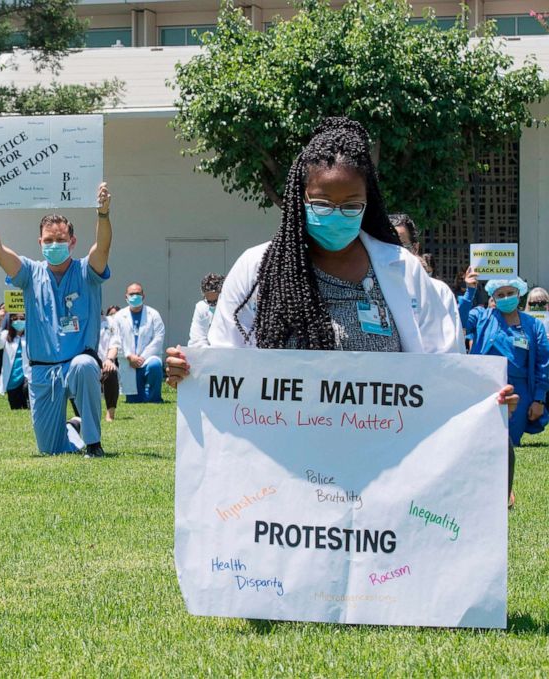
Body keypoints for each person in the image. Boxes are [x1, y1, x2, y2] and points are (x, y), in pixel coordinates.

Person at [165, 118, 518, 469]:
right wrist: (192, 372)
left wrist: (481, 402)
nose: (336, 215)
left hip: (386, 466)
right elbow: (227, 366)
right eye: (321, 203)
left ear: (369, 203)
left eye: (351, 205)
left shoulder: (403, 271)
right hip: (282, 468)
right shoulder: (257, 269)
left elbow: (445, 373)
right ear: (299, 198)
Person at [0, 182, 112, 458]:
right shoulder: (30, 273)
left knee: (84, 365)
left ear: (72, 242)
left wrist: (103, 214)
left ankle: (93, 443)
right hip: (43, 371)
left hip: (77, 364)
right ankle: (73, 428)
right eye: (48, 240)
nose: (54, 245)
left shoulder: (86, 271)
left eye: (60, 240)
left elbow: (102, 248)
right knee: (50, 450)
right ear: (40, 243)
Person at [459, 274, 548, 448]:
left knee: (510, 443)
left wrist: (539, 400)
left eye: (510, 293)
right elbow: (459, 319)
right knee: (478, 441)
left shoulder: (534, 325)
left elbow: (543, 364)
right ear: (493, 297)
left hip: (519, 392)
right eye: (500, 295)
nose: (506, 298)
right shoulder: (481, 316)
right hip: (483, 388)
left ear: (519, 293)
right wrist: (470, 291)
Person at [109, 283, 165, 403]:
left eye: (138, 294)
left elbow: (159, 338)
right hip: (128, 360)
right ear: (126, 297)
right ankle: (138, 397)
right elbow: (115, 340)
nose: (135, 296)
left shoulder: (153, 314)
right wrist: (129, 356)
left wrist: (143, 357)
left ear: (143, 296)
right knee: (134, 399)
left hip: (148, 358)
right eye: (132, 294)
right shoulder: (118, 316)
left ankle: (154, 398)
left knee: (154, 366)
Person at [0, 306, 30, 409]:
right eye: (15, 319)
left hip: (28, 378)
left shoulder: (31, 336)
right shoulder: (5, 335)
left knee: (29, 407)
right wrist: (0, 319)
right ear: (10, 321)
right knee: (15, 409)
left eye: (22, 319)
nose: (18, 321)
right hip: (12, 380)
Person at [188, 273, 225, 347]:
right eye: (209, 301)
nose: (212, 305)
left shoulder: (237, 308)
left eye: (215, 301)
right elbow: (197, 340)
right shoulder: (201, 307)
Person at [99, 305, 121, 421]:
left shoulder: (110, 321)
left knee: (111, 370)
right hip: (85, 363)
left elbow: (114, 345)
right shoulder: (79, 320)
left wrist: (109, 360)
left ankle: (110, 414)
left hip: (104, 362)